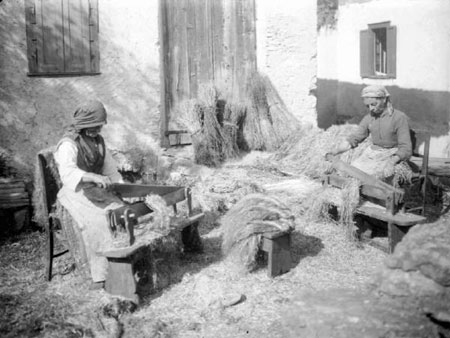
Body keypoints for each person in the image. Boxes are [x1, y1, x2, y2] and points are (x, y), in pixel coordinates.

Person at [54, 100, 125, 289]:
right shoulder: (68, 144)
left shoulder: (99, 141)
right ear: (83, 124)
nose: (97, 129)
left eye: (100, 125)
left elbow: (111, 171)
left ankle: (122, 264)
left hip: (94, 190)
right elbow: (67, 174)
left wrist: (123, 189)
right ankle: (100, 276)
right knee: (99, 222)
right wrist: (91, 176)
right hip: (74, 191)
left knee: (121, 211)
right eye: (93, 126)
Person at [327, 85, 413, 182]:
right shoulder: (369, 118)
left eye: (373, 104)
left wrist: (392, 162)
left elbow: (405, 147)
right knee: (351, 173)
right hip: (372, 154)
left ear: (384, 99)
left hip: (390, 154)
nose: (371, 109)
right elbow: (354, 138)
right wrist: (335, 151)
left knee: (373, 179)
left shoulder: (399, 118)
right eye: (367, 106)